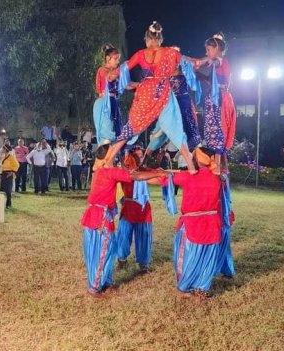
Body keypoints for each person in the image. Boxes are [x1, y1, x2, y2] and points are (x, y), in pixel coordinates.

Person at [101, 22, 190, 170]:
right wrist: (206, 61)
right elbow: (189, 62)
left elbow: (125, 66)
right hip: (162, 93)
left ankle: (110, 159)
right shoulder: (170, 52)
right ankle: (191, 165)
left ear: (147, 39)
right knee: (175, 126)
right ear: (160, 39)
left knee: (129, 128)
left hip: (146, 94)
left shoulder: (141, 54)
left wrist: (112, 74)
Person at [80, 144, 163, 297]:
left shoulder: (100, 170)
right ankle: (95, 287)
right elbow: (135, 176)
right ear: (108, 157)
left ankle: (106, 281)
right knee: (103, 251)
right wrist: (156, 173)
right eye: (114, 152)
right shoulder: (109, 172)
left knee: (108, 250)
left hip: (99, 215)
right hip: (101, 218)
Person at [165, 147, 223, 300]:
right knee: (208, 256)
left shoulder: (188, 177)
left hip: (193, 225)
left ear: (197, 159)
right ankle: (202, 288)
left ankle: (184, 287)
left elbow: (166, 179)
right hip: (212, 224)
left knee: (189, 256)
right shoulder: (218, 177)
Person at [193, 33, 236, 170]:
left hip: (219, 100)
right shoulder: (213, 66)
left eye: (208, 50)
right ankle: (218, 166)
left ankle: (217, 167)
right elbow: (201, 71)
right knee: (211, 132)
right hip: (212, 100)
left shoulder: (222, 62)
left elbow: (217, 61)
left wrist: (210, 61)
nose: (206, 52)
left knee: (218, 131)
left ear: (217, 49)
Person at [116, 149, 154, 272]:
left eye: (141, 156)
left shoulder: (145, 171)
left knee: (144, 235)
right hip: (129, 207)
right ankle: (121, 259)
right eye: (137, 156)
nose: (139, 158)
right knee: (124, 235)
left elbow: (157, 176)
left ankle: (143, 263)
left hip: (143, 208)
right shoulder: (125, 171)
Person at [0, 145, 19, 209]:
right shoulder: (3, 156)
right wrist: (0, 175)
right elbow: (1, 167)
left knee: (8, 190)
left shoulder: (11, 157)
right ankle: (3, 204)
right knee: (3, 189)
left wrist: (12, 172)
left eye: (3, 148)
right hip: (3, 174)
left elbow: (17, 165)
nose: (1, 149)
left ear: (6, 149)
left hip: (8, 174)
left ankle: (9, 204)